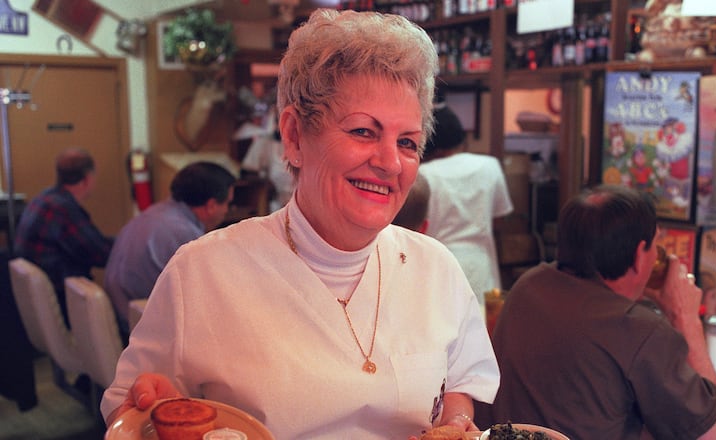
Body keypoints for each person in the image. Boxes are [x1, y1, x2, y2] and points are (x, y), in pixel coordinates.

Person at [100, 9, 499, 439]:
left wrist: (456, 423)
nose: (389, 163)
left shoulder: (434, 266)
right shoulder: (201, 273)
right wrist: (151, 408)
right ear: (293, 136)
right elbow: (134, 411)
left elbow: (458, 382)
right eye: (364, 131)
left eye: (407, 142)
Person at [476, 184, 716, 440]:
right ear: (640, 255)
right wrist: (685, 316)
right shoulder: (640, 329)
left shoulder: (528, 286)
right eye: (656, 246)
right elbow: (709, 434)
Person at [104, 161, 236, 336]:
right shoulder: (184, 235)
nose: (227, 210)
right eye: (227, 203)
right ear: (211, 205)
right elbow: (212, 299)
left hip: (122, 322)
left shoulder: (153, 214)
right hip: (143, 335)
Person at [419, 103, 513, 306]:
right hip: (483, 264)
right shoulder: (490, 166)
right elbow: (499, 220)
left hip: (438, 264)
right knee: (486, 330)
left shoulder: (424, 174)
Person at [14, 147, 114, 327]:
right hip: (64, 301)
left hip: (45, 303)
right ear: (87, 178)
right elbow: (101, 254)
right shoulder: (63, 210)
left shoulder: (43, 199)